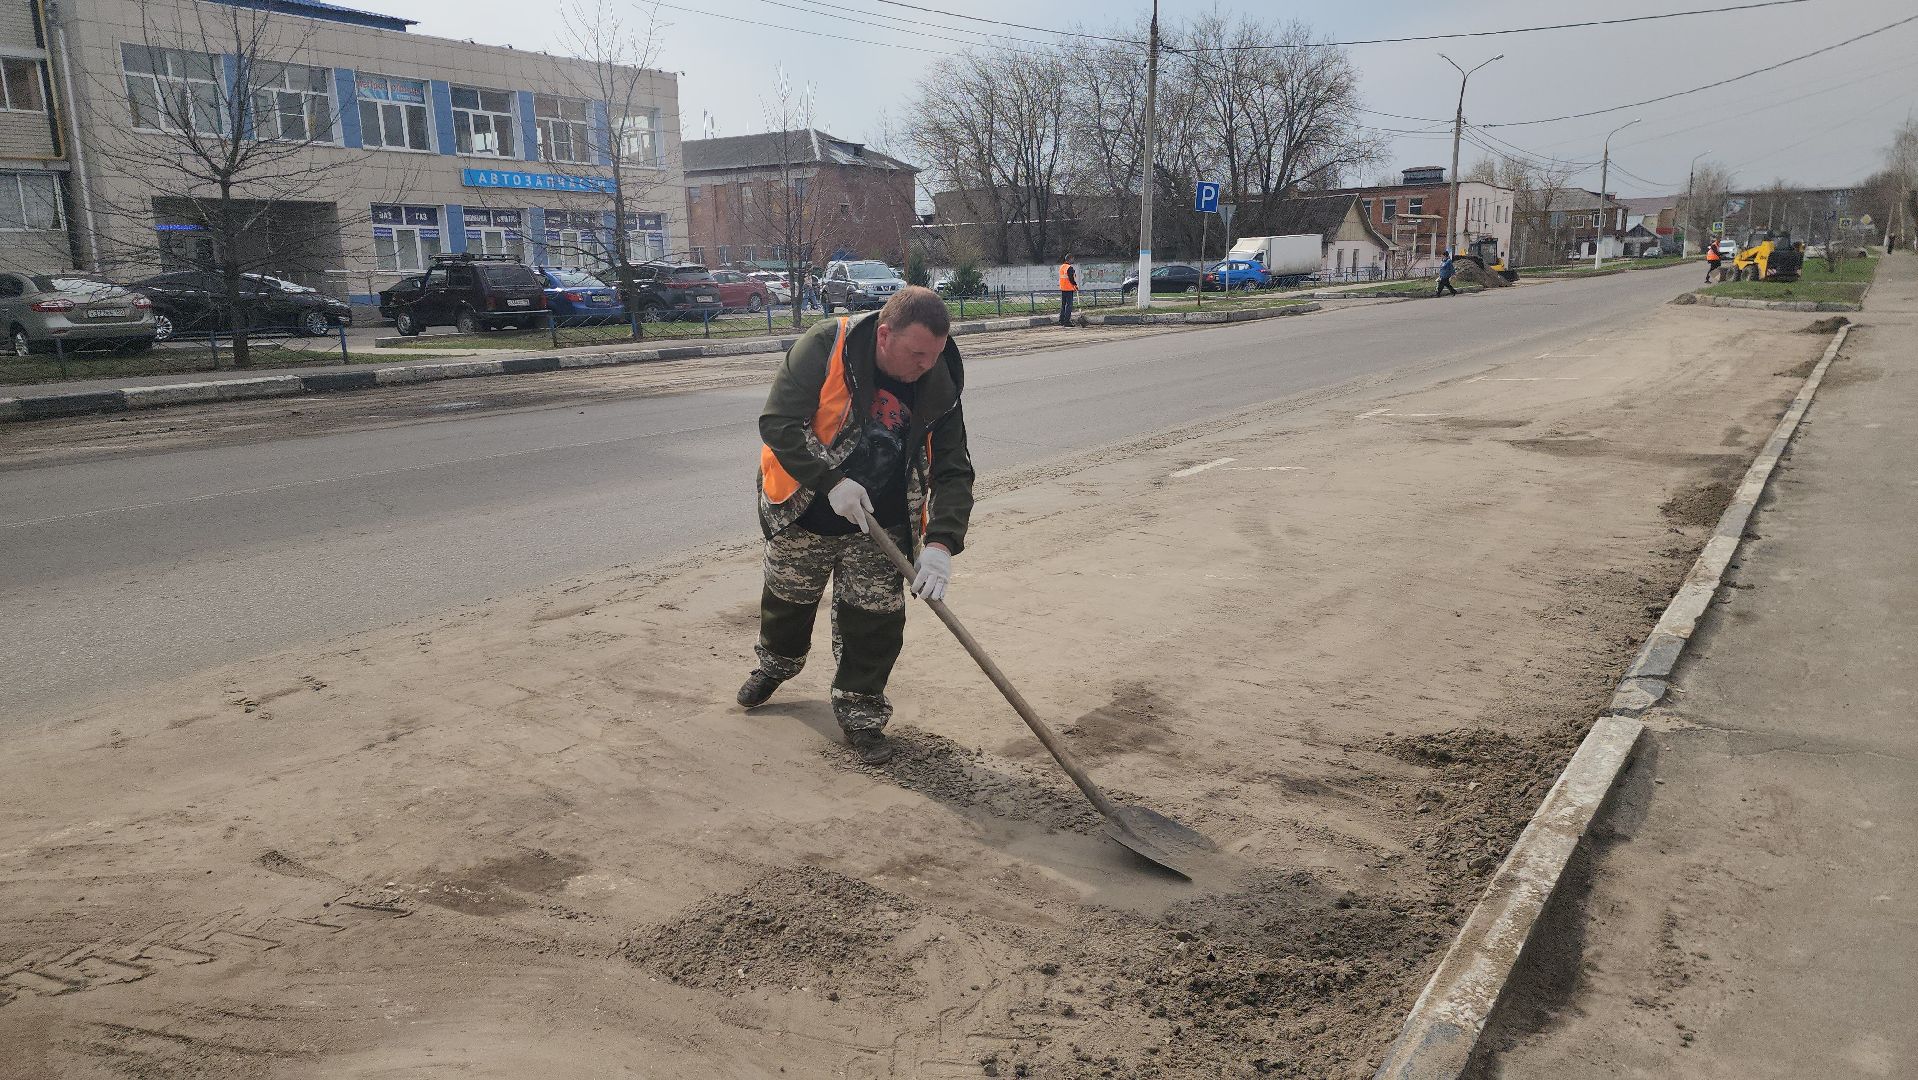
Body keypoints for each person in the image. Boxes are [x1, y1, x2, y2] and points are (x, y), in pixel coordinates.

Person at [738, 286, 976, 766]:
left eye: (934, 354)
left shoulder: (940, 378)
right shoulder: (827, 346)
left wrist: (941, 543)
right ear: (884, 335)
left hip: (880, 524)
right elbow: (779, 422)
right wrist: (830, 482)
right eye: (916, 355)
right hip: (806, 508)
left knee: (874, 622)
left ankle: (861, 713)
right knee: (786, 604)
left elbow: (954, 468)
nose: (925, 366)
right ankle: (776, 666)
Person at [1057, 253, 1078, 327]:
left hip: (1063, 288)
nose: (1073, 260)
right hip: (1069, 288)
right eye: (1073, 259)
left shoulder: (1062, 267)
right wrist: (1075, 285)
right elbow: (1071, 278)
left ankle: (1061, 320)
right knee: (1069, 305)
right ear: (1070, 259)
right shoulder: (1069, 267)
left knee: (1063, 305)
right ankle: (1067, 321)